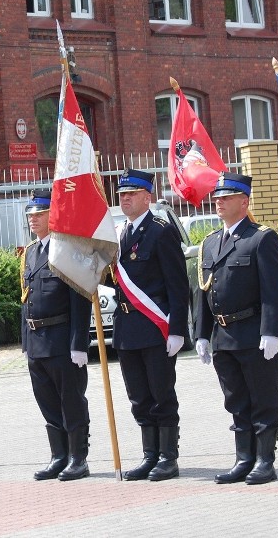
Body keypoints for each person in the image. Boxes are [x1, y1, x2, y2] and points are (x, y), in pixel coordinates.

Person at [194, 172, 278, 485]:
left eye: (227, 197)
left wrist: (271, 331)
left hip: (252, 334)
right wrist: (202, 335)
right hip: (223, 338)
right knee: (235, 401)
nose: (218, 201)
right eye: (217, 197)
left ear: (244, 202)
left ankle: (265, 460)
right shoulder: (209, 243)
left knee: (263, 399)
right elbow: (204, 291)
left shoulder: (260, 238)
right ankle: (243, 458)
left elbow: (274, 290)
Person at [111, 169, 189, 482]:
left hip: (155, 328)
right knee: (139, 397)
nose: (125, 199)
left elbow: (178, 284)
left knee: (161, 393)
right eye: (121, 195)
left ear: (147, 197)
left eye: (131, 194)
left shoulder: (160, 231)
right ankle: (149, 455)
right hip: (127, 328)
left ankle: (168, 457)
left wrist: (177, 329)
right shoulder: (118, 234)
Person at [21, 189, 93, 481]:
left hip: (62, 339)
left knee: (72, 401)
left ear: (53, 216)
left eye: (38, 215)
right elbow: (26, 297)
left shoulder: (67, 251)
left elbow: (80, 298)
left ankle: (78, 458)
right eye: (30, 216)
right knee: (47, 401)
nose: (33, 220)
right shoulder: (30, 252)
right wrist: (24, 341)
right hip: (37, 342)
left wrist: (79, 343)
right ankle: (58, 455)